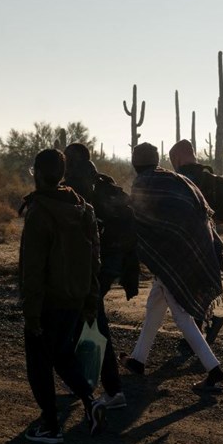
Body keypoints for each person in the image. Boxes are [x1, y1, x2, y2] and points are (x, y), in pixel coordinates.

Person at [122, 143, 223, 393]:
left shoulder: (144, 184)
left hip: (173, 258)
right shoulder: (173, 178)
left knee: (182, 316)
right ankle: (138, 360)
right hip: (195, 248)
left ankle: (213, 369)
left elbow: (144, 224)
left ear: (135, 163)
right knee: (155, 306)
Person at [20, 148, 107, 443]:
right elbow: (95, 259)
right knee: (61, 354)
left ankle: (50, 424)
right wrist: (91, 299)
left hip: (48, 300)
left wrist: (31, 312)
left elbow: (32, 268)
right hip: (76, 297)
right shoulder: (84, 209)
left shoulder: (40, 212)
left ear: (37, 174)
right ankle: (90, 401)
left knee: (40, 362)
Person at [63, 142, 139, 410]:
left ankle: (107, 388)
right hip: (110, 262)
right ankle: (85, 381)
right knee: (92, 320)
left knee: (91, 321)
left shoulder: (75, 184)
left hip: (92, 265)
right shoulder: (99, 180)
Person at [168, 139, 223, 350]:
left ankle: (197, 336)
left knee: (185, 291)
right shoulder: (208, 177)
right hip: (211, 244)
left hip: (189, 243)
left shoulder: (181, 179)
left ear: (176, 158)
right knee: (199, 289)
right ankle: (204, 329)